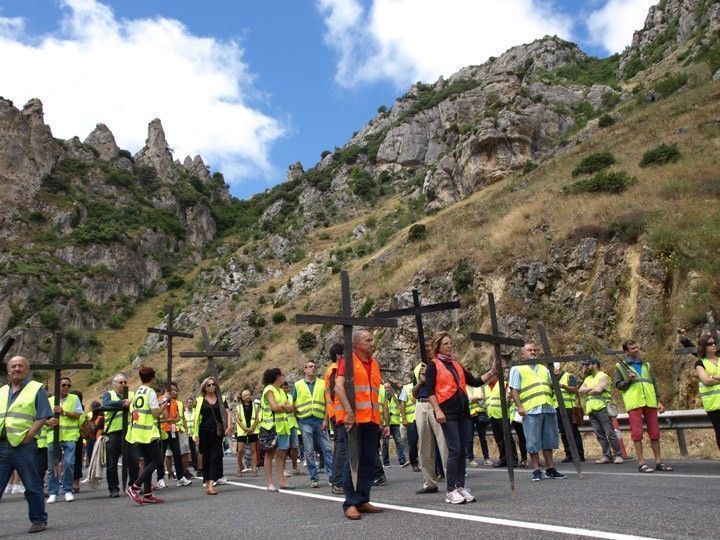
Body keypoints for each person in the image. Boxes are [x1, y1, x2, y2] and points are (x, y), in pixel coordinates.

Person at [426, 332, 497, 504]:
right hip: (447, 411)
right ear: (438, 346)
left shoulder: (457, 365)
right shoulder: (433, 365)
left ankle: (460, 487)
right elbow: (429, 391)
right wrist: (437, 411)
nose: (449, 346)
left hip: (464, 412)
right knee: (455, 449)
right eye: (445, 344)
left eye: (450, 343)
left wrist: (493, 371)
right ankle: (450, 490)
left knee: (463, 450)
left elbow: (475, 381)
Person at [0, 356, 55, 533]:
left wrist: (29, 436)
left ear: (27, 369)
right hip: (2, 445)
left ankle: (38, 520)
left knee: (32, 485)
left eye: (20, 366)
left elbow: (42, 416)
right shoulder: (1, 391)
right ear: (8, 371)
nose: (17, 368)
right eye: (13, 366)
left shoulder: (36, 388)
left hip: (24, 446)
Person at [335, 329, 386, 520]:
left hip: (371, 420)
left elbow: (375, 395)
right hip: (353, 420)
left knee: (368, 461)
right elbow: (338, 386)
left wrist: (382, 421)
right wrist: (349, 412)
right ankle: (350, 503)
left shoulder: (374, 364)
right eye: (368, 340)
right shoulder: (347, 361)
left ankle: (363, 499)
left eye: (372, 339)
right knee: (352, 462)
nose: (372, 343)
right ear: (357, 344)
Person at [509, 343, 566, 482]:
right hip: (531, 409)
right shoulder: (517, 368)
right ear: (523, 353)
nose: (533, 352)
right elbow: (514, 389)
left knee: (549, 440)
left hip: (547, 406)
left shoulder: (543, 368)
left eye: (534, 350)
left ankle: (550, 468)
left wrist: (556, 377)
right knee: (533, 441)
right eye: (529, 350)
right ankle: (535, 469)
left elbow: (551, 386)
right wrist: (520, 407)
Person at [613, 340, 672, 473]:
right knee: (637, 433)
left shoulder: (646, 365)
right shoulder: (620, 366)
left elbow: (653, 383)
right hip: (634, 402)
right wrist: (629, 379)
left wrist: (658, 401)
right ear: (626, 352)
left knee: (655, 433)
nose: (636, 349)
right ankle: (641, 463)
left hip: (650, 401)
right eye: (632, 348)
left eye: (636, 347)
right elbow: (618, 385)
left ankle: (658, 462)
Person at [412, 339, 448, 495]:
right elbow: (413, 393)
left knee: (444, 443)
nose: (426, 349)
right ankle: (429, 482)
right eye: (423, 346)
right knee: (424, 446)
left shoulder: (439, 364)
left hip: (436, 404)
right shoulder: (418, 368)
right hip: (421, 404)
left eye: (428, 346)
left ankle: (452, 481)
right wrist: (421, 381)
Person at [125, 367, 165, 504]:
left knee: (148, 461)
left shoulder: (138, 391)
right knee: (158, 460)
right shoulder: (150, 392)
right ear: (153, 378)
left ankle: (148, 494)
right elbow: (155, 414)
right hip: (148, 432)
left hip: (137, 431)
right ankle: (135, 487)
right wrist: (163, 407)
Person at [294, 360, 334, 488]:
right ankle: (314, 478)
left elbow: (328, 402)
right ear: (304, 369)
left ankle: (332, 477)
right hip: (305, 421)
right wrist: (298, 420)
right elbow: (292, 403)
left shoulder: (322, 384)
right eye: (310, 366)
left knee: (327, 449)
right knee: (309, 451)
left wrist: (326, 420)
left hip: (320, 421)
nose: (313, 368)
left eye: (314, 367)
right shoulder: (298, 385)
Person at [578, 358, 623, 464]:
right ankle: (607, 456)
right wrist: (592, 389)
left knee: (609, 432)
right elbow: (580, 390)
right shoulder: (588, 378)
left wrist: (588, 389)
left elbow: (599, 390)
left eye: (587, 365)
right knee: (599, 434)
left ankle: (618, 455)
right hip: (591, 409)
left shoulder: (603, 376)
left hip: (602, 407)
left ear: (595, 365)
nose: (585, 367)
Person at [101, 373, 138, 498]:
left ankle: (133, 485)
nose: (123, 384)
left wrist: (130, 402)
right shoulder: (108, 394)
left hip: (129, 432)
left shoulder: (132, 394)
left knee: (133, 461)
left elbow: (137, 404)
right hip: (113, 433)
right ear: (114, 384)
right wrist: (122, 404)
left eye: (125, 382)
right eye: (120, 382)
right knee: (112, 463)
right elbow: (106, 404)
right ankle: (113, 488)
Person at [46, 376, 82, 503]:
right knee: (52, 466)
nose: (66, 387)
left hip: (70, 436)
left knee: (69, 464)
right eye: (63, 385)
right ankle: (53, 492)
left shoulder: (74, 398)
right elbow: (42, 418)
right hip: (53, 436)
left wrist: (64, 412)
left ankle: (67, 490)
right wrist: (48, 422)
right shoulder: (49, 400)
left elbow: (78, 415)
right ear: (58, 386)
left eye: (68, 385)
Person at [259, 368, 295, 491]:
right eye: (282, 375)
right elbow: (274, 407)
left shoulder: (280, 391)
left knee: (282, 455)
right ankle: (269, 483)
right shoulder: (269, 389)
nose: (284, 377)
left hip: (283, 427)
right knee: (270, 454)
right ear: (277, 377)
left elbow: (291, 408)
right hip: (272, 427)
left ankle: (282, 482)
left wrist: (284, 407)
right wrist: (285, 407)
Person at [192, 377, 228, 494]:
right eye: (209, 385)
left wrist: (229, 426)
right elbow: (196, 419)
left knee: (214, 457)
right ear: (204, 387)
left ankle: (211, 484)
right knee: (206, 458)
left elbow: (227, 413)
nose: (211, 386)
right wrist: (195, 434)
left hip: (217, 433)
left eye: (213, 384)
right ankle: (207, 482)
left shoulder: (222, 399)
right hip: (204, 432)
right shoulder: (200, 400)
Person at [159, 382, 192, 487]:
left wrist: (173, 419)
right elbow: (160, 413)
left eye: (175, 389)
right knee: (161, 455)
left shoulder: (175, 402)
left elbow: (177, 417)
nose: (174, 391)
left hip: (173, 430)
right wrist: (165, 402)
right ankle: (160, 479)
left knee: (177, 453)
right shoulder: (159, 399)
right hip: (162, 431)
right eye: (171, 389)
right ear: (166, 390)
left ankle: (181, 477)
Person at [553, 362, 586, 463]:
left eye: (554, 368)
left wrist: (563, 386)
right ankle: (569, 454)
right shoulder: (552, 380)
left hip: (568, 408)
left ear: (558, 368)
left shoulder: (568, 376)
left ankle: (579, 455)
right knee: (563, 432)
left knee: (573, 431)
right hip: (557, 408)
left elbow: (574, 389)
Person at [325, 343, 345, 494]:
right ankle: (338, 481)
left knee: (340, 446)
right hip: (339, 414)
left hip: (336, 413)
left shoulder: (333, 370)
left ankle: (338, 480)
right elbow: (335, 393)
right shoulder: (334, 370)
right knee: (341, 447)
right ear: (339, 356)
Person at [695, 334, 720, 450]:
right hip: (714, 405)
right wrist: (712, 378)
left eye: (714, 343)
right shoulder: (700, 363)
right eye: (710, 344)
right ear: (704, 347)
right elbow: (706, 381)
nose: (714, 345)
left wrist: (714, 377)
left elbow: (710, 379)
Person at [465, 383, 492, 467]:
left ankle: (486, 458)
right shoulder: (463, 387)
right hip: (469, 415)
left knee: (483, 437)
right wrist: (477, 398)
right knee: (469, 438)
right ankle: (471, 458)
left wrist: (474, 399)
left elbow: (483, 400)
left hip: (480, 414)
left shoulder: (478, 387)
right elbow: (466, 400)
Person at [381, 382, 407, 467]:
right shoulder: (382, 397)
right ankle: (386, 463)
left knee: (398, 441)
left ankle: (402, 461)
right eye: (385, 388)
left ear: (391, 388)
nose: (387, 389)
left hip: (395, 423)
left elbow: (399, 406)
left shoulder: (395, 396)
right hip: (385, 423)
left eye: (388, 388)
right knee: (385, 443)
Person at [235, 389, 260, 476]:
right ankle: (239, 467)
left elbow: (257, 418)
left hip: (252, 430)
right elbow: (237, 419)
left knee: (253, 450)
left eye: (249, 394)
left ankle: (254, 469)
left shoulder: (255, 406)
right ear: (242, 397)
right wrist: (245, 428)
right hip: (242, 431)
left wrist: (252, 428)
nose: (248, 396)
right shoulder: (238, 407)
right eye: (246, 395)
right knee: (240, 450)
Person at [282, 381, 303, 477]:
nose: (286, 389)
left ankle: (295, 467)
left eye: (287, 388)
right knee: (284, 448)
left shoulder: (291, 397)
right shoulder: (279, 397)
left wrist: (293, 408)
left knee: (295, 447)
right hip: (284, 424)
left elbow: (295, 408)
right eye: (284, 388)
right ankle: (283, 469)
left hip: (293, 424)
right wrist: (291, 408)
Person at [398, 380, 420, 472]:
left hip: (423, 417)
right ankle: (414, 462)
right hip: (412, 419)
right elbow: (402, 404)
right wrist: (403, 418)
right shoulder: (407, 388)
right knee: (413, 442)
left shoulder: (426, 384)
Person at [184, 398, 198, 471]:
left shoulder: (195, 411)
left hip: (193, 434)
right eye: (189, 402)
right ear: (186, 404)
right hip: (186, 434)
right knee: (186, 451)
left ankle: (195, 465)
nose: (191, 404)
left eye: (192, 402)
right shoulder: (184, 412)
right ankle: (187, 466)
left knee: (194, 450)